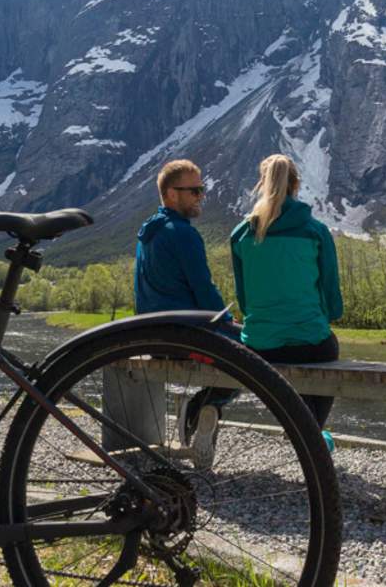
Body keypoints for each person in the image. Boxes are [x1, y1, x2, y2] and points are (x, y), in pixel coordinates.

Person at [229, 153, 343, 434]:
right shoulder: (315, 231)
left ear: (262, 184)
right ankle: (313, 435)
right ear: (296, 185)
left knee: (285, 355)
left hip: (258, 345)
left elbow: (244, 300)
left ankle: (307, 434)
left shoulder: (242, 234)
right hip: (310, 343)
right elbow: (332, 302)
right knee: (327, 349)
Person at [133, 159, 236, 464]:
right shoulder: (183, 233)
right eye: (194, 190)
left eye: (201, 189)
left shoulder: (147, 234)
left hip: (152, 337)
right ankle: (205, 405)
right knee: (253, 349)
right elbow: (204, 290)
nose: (201, 195)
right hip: (184, 336)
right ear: (171, 194)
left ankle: (202, 412)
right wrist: (229, 322)